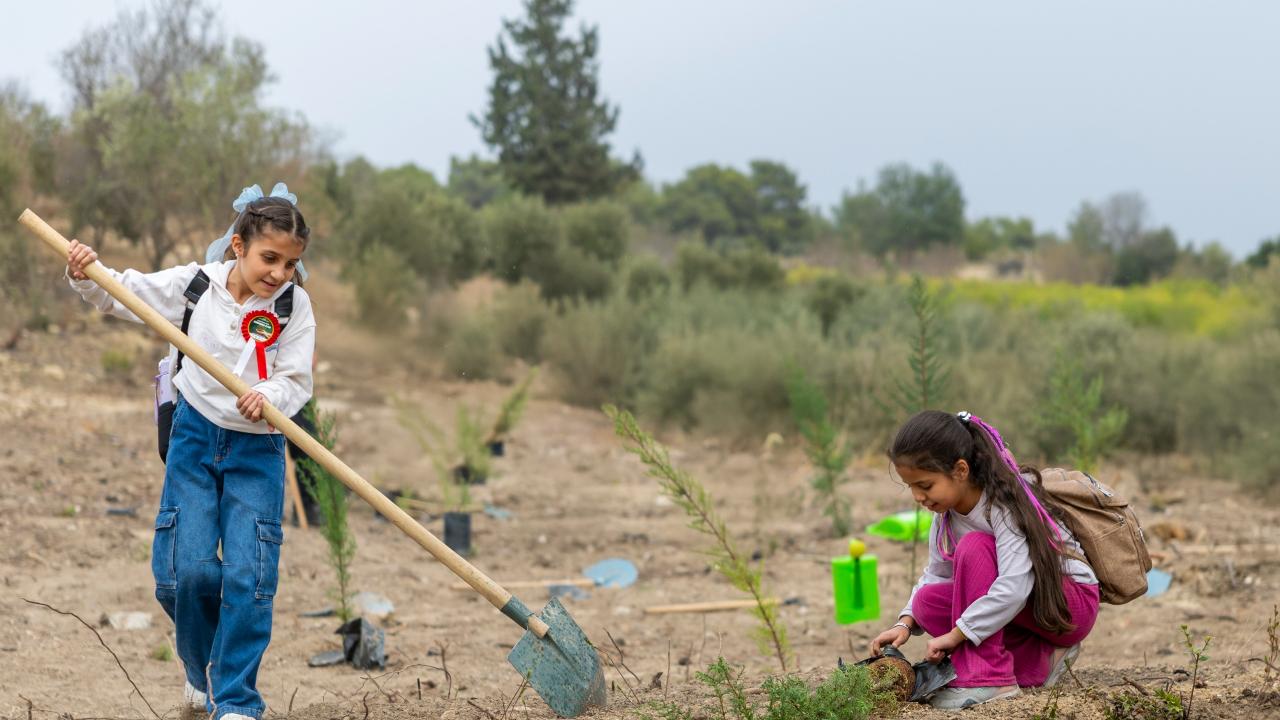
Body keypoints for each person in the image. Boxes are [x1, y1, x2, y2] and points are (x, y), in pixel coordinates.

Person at [66, 184, 316, 720]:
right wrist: (89, 272)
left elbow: (297, 379)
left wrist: (268, 396)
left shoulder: (294, 306)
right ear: (238, 246)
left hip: (259, 449)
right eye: (269, 258)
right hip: (195, 437)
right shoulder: (195, 285)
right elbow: (123, 292)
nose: (278, 273)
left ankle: (237, 703)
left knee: (249, 577)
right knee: (187, 574)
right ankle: (199, 672)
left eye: (290, 264)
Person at [869, 410, 1100, 711]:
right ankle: (1043, 659)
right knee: (927, 602)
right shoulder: (945, 518)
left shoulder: (1001, 505)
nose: (917, 497)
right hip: (1026, 608)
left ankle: (989, 676)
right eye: (910, 486)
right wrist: (904, 623)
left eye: (925, 485)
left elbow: (1015, 586)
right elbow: (936, 575)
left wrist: (957, 634)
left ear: (961, 470)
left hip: (1068, 604)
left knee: (975, 547)